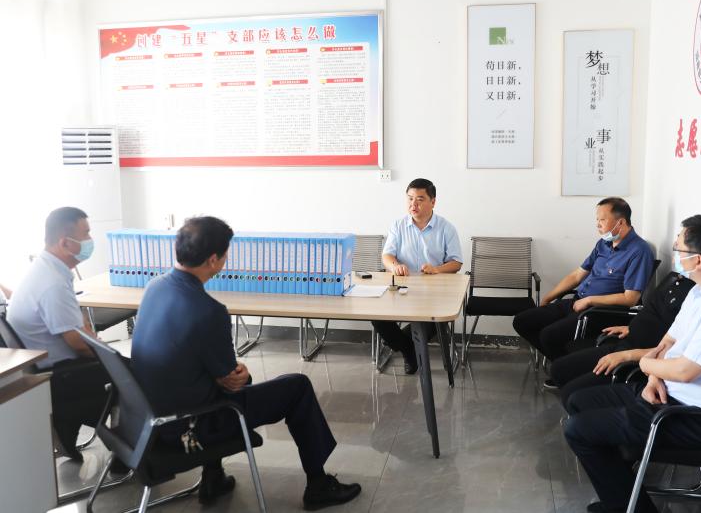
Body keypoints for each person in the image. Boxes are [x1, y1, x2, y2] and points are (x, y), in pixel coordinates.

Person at [131, 216, 361, 509]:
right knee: (297, 387)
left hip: (150, 420)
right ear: (213, 260)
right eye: (226, 253)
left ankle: (213, 476)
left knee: (208, 382)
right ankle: (318, 485)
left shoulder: (154, 287)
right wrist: (241, 373)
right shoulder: (208, 311)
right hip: (191, 429)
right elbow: (232, 381)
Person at [563, 215, 701, 513]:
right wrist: (653, 378)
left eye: (678, 248)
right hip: (664, 393)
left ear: (698, 260)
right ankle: (622, 494)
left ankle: (632, 508)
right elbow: (668, 342)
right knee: (578, 401)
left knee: (578, 429)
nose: (674, 253)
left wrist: (647, 366)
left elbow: (685, 371)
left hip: (692, 416)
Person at [6, 207, 115, 462]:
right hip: (62, 374)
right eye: (86, 234)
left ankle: (68, 428)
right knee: (134, 377)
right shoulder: (52, 283)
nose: (90, 240)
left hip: (49, 367)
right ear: (65, 243)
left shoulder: (45, 269)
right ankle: (125, 455)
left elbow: (77, 328)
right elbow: (77, 342)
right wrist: (112, 357)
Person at [513, 197, 654, 382]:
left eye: (602, 220)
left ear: (620, 222)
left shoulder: (639, 251)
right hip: (578, 301)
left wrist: (590, 300)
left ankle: (567, 373)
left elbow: (631, 298)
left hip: (599, 311)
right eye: (597, 219)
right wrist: (548, 297)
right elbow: (577, 276)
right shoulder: (603, 244)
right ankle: (567, 369)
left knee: (549, 335)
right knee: (523, 321)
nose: (597, 224)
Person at [550, 272, 694, 407]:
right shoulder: (678, 281)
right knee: (559, 369)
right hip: (625, 343)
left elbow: (676, 350)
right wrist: (632, 327)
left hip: (635, 361)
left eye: (681, 254)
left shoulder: (698, 301)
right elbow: (654, 315)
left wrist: (626, 355)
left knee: (571, 394)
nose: (678, 257)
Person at [371, 178, 463, 374]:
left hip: (434, 294)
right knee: (377, 316)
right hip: (401, 291)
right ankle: (409, 350)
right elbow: (387, 256)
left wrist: (437, 269)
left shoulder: (446, 228)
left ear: (433, 202)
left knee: (429, 322)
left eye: (420, 199)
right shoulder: (398, 225)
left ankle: (407, 351)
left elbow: (456, 263)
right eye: (410, 198)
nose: (413, 204)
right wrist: (395, 266)